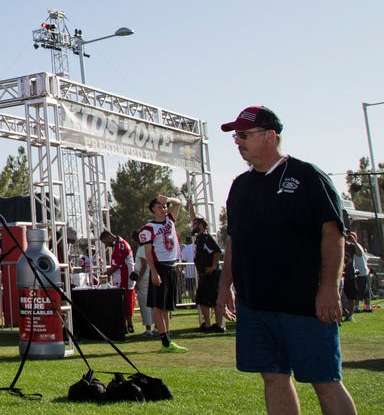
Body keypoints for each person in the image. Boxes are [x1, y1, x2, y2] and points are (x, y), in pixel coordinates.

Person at [216, 105, 358, 415]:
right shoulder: (240, 186)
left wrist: (329, 288)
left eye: (244, 134)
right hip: (255, 304)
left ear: (270, 135)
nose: (238, 141)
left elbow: (333, 234)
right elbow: (234, 240)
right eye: (235, 136)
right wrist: (224, 287)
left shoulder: (307, 176)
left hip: (304, 302)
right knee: (273, 377)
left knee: (324, 379)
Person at [138, 193, 186, 353]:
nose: (163, 209)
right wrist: (154, 272)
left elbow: (178, 203)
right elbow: (148, 252)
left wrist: (169, 200)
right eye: (159, 207)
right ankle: (164, 339)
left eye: (164, 206)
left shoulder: (170, 220)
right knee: (159, 305)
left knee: (167, 306)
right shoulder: (148, 228)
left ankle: (168, 338)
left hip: (172, 265)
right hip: (160, 266)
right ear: (152, 209)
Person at [190, 216, 224, 331]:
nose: (192, 227)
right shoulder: (199, 238)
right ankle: (209, 324)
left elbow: (216, 251)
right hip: (204, 273)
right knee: (203, 299)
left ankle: (216, 324)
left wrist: (213, 266)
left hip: (211, 274)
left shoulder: (206, 238)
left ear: (200, 226)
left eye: (194, 224)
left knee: (211, 299)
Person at [99, 230, 136, 335]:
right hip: (121, 277)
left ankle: (128, 325)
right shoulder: (119, 244)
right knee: (125, 302)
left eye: (105, 242)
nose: (106, 245)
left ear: (109, 237)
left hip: (125, 277)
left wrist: (103, 277)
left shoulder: (120, 245)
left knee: (126, 302)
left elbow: (115, 266)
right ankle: (126, 325)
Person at [131, 233, 157, 337]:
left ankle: (148, 329)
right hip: (150, 276)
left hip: (145, 278)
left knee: (145, 303)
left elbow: (143, 267)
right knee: (153, 302)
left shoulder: (142, 249)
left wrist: (137, 281)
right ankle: (156, 327)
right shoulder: (150, 247)